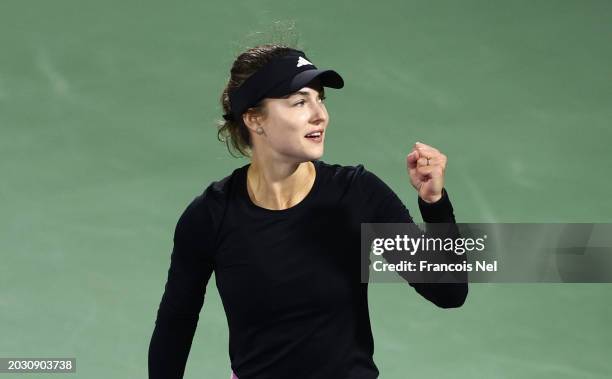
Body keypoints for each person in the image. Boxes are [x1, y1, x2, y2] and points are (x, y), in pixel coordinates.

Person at [148, 44, 468, 379]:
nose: (320, 114)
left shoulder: (355, 194)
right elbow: (176, 324)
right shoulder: (211, 216)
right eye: (300, 102)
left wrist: (435, 204)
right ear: (255, 119)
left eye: (320, 99)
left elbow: (448, 291)